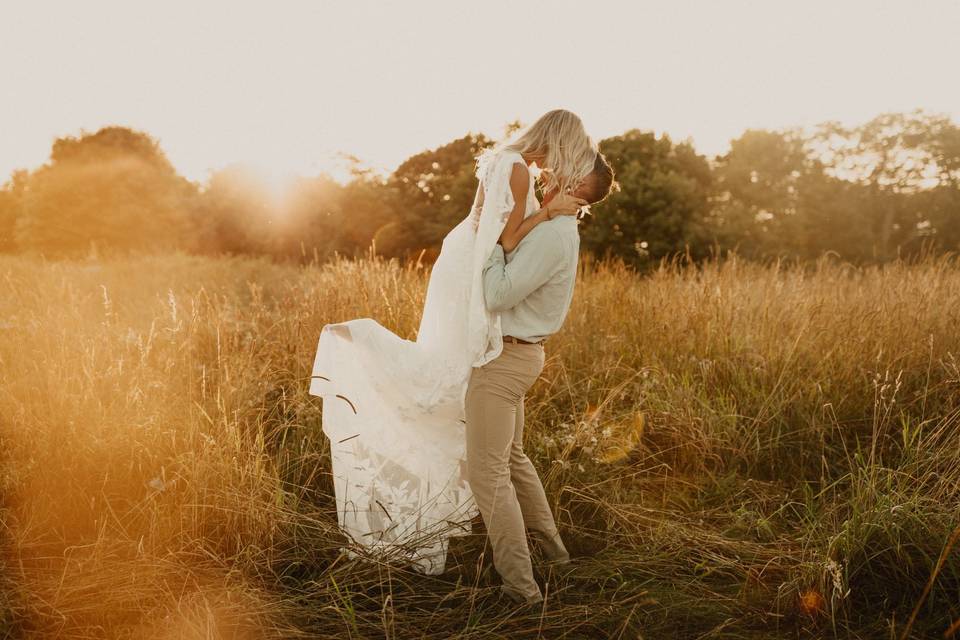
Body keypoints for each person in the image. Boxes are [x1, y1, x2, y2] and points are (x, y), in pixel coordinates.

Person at [308, 109, 604, 578]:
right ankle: (539, 569)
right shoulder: (515, 169)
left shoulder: (513, 165)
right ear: (560, 142)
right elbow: (499, 243)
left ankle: (541, 568)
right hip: (473, 274)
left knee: (499, 449)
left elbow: (500, 243)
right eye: (572, 157)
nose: (563, 172)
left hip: (474, 273)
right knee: (478, 425)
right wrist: (547, 213)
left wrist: (546, 215)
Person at [465, 151, 616, 605]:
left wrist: (489, 241)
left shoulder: (553, 234)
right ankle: (556, 558)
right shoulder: (550, 223)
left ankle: (521, 590)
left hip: (504, 363)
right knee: (512, 460)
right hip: (517, 356)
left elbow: (495, 293)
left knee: (487, 475)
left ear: (575, 190)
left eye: (567, 173)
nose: (553, 172)